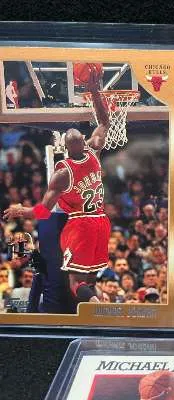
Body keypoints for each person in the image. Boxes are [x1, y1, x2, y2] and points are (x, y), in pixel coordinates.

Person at [3, 67, 110, 305]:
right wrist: (94, 90)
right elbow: (104, 121)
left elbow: (43, 212)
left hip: (81, 224)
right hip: (102, 221)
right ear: (84, 142)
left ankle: (99, 305)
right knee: (90, 280)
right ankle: (100, 307)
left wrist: (21, 210)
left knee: (75, 283)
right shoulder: (95, 150)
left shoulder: (62, 174)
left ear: (65, 148)